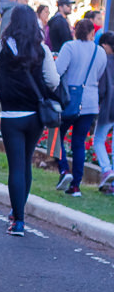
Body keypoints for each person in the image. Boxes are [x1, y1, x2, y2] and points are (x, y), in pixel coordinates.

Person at [0, 4, 60, 236]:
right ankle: (18, 212)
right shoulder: (42, 49)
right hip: (35, 115)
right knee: (26, 163)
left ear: (12, 23)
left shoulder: (2, 47)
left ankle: (18, 220)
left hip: (11, 115)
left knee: (15, 166)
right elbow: (53, 81)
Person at [54, 19, 106, 197]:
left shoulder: (69, 47)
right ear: (92, 33)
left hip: (70, 100)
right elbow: (99, 74)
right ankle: (76, 185)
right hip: (91, 102)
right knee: (79, 142)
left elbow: (58, 71)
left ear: (76, 31)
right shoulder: (100, 52)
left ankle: (63, 170)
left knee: (56, 134)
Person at [93, 31, 114, 193]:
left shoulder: (105, 61)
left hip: (108, 106)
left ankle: (107, 169)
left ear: (106, 45)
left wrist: (97, 103)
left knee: (98, 139)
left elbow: (102, 88)